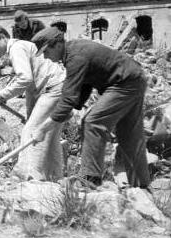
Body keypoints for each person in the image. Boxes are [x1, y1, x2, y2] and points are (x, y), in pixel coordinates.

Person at [31, 27, 150, 188]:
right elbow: (84, 84)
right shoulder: (73, 51)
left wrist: (43, 128)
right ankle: (141, 187)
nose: (45, 57)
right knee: (129, 135)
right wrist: (72, 109)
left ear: (57, 45)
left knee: (93, 122)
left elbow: (68, 96)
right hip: (134, 78)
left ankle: (90, 178)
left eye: (46, 51)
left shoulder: (75, 56)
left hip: (124, 83)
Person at [0, 25, 65, 181]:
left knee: (31, 132)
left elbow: (25, 79)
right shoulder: (21, 46)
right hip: (58, 86)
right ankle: (55, 177)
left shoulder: (16, 49)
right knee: (50, 136)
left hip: (53, 88)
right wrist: (30, 112)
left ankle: (29, 176)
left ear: (2, 37)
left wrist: (2, 95)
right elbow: (30, 85)